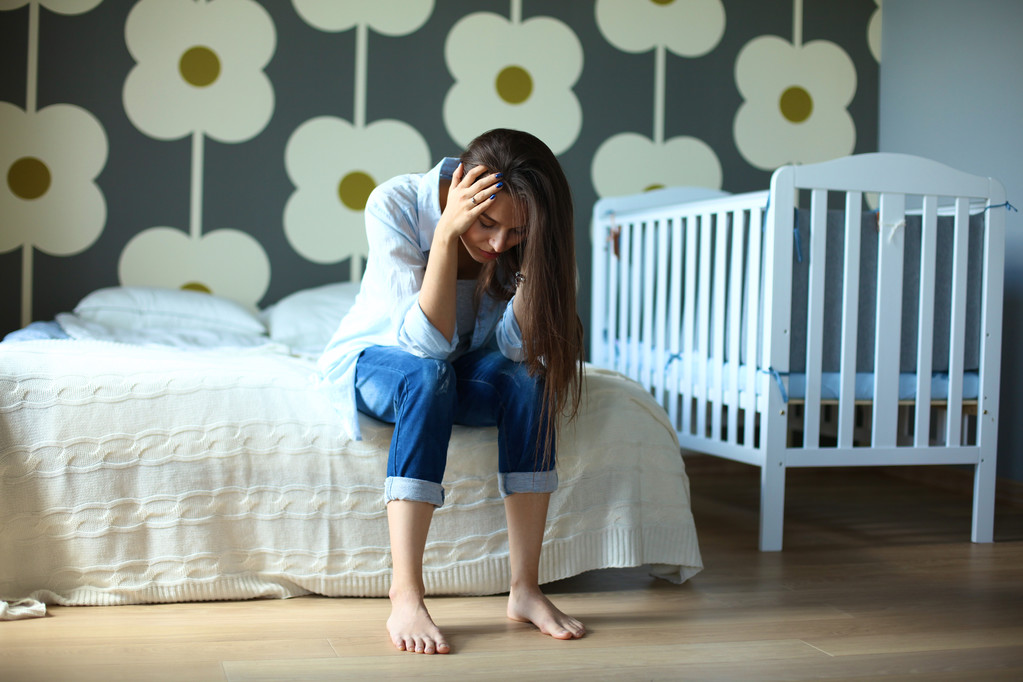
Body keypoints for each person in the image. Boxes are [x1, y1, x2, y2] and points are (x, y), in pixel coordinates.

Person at [318, 129, 586, 654]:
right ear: (462, 187)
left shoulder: (518, 240)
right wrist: (445, 236)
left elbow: (512, 348)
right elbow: (425, 349)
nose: (495, 244)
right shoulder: (394, 203)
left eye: (515, 232)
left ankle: (526, 589)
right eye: (486, 223)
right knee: (427, 377)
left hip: (457, 369)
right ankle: (406, 592)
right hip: (378, 362)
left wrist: (535, 260)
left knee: (533, 376)